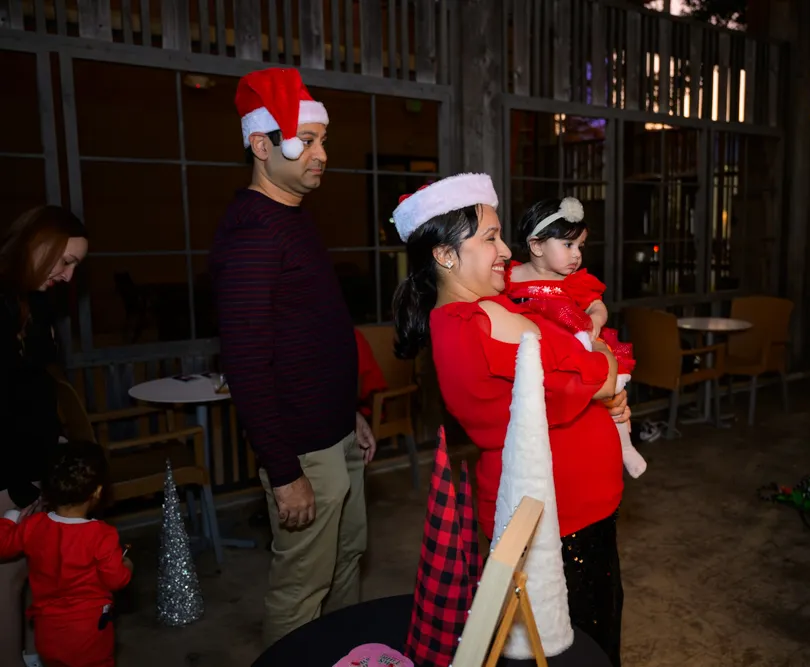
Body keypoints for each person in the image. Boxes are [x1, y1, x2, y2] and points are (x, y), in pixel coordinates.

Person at [391, 173, 630, 666]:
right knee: (580, 646)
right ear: (445, 255)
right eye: (491, 238)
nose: (505, 250)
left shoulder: (475, 312)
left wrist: (602, 390)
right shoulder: (484, 321)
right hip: (561, 516)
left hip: (558, 509)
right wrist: (602, 356)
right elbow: (601, 375)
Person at [210, 67, 375, 648]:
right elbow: (247, 365)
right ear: (261, 145)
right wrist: (284, 473)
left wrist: (350, 413)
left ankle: (342, 656)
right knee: (301, 588)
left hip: (334, 432)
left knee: (347, 557)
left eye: (322, 140)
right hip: (303, 451)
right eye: (306, 141)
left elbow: (310, 338)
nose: (321, 155)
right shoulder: (253, 233)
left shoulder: (292, 218)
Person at [0, 205, 89, 667]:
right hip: (8, 472)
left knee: (31, 573)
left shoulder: (34, 301)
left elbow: (36, 389)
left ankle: (34, 654)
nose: (69, 276)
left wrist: (54, 447)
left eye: (75, 266)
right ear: (37, 245)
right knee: (8, 578)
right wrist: (17, 485)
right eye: (65, 261)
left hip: (33, 464)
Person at [507, 196, 646, 478]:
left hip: (578, 348)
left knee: (614, 394)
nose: (576, 255)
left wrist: (595, 319)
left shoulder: (574, 282)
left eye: (580, 246)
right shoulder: (510, 278)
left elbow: (598, 305)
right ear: (536, 246)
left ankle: (625, 445)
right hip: (539, 358)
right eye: (568, 245)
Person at [0, 440, 132, 667]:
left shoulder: (33, 526)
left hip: (47, 633)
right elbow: (115, 579)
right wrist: (127, 565)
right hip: (89, 634)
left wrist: (11, 517)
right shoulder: (102, 535)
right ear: (97, 491)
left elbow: (3, 546)